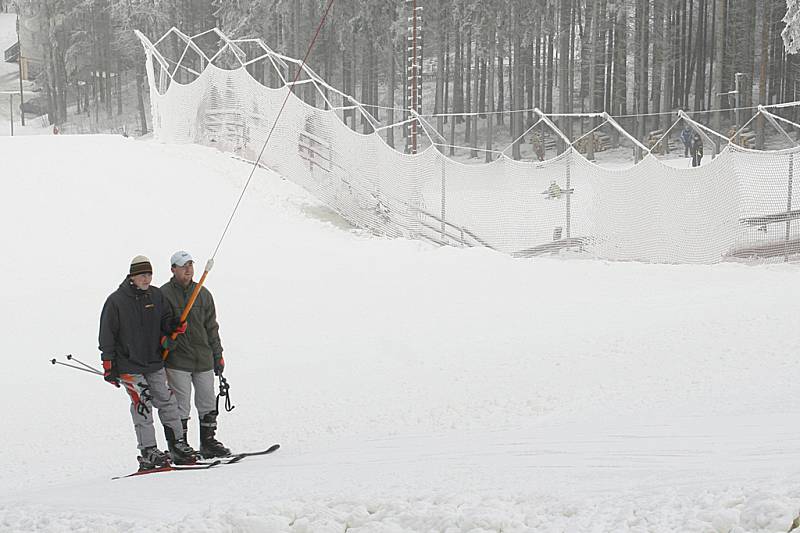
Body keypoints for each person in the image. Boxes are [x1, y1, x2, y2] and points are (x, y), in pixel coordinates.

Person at [99, 255, 199, 470]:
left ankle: (177, 444)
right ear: (132, 276)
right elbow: (107, 335)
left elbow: (165, 321)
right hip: (128, 364)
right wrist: (108, 364)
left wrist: (173, 328)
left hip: (154, 361)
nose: (147, 279)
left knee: (167, 400)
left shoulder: (156, 296)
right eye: (142, 275)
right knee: (142, 403)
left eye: (149, 274)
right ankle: (148, 451)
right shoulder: (116, 301)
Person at [160, 251, 231, 458]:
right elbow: (158, 328)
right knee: (181, 405)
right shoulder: (163, 295)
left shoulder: (203, 293)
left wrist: (218, 355)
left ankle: (208, 442)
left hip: (203, 359)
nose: (189, 269)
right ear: (173, 269)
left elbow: (212, 328)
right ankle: (179, 447)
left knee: (207, 402)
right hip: (177, 361)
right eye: (183, 266)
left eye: (190, 264)